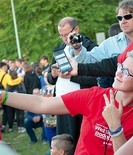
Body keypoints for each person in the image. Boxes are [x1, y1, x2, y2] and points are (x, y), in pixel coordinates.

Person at [0, 50, 133, 154]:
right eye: (121, 67)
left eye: (127, 72)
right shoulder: (94, 96)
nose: (119, 73)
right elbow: (41, 104)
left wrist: (115, 128)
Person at [47, 16, 98, 147]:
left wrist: (71, 77)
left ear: (76, 29)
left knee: (80, 142)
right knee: (64, 142)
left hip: (81, 103)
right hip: (61, 102)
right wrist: (53, 74)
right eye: (61, 35)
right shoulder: (59, 49)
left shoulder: (90, 47)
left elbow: (97, 76)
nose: (64, 38)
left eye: (67, 34)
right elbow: (49, 78)